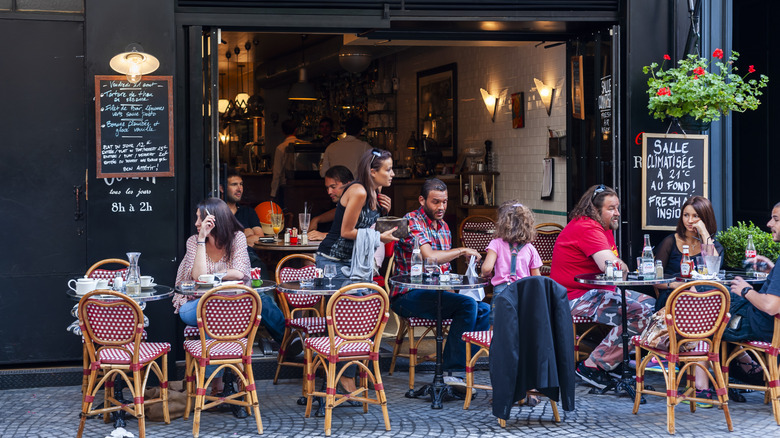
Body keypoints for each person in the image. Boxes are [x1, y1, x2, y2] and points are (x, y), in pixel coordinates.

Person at [550, 184, 655, 389]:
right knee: (639, 313)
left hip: (595, 293)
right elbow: (613, 267)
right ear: (594, 210)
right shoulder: (587, 227)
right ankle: (593, 366)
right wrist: (622, 267)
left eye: (617, 208)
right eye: (611, 208)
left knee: (652, 304)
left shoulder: (601, 228)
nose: (617, 213)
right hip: (572, 297)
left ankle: (613, 360)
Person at [391, 178, 491, 386]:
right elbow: (429, 256)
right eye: (436, 202)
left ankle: (463, 365)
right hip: (407, 295)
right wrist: (461, 250)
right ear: (422, 200)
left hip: (436, 293)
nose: (441, 207)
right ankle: (452, 371)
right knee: (467, 306)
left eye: (444, 202)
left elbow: (443, 268)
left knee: (484, 310)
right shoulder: (410, 221)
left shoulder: (444, 226)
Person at [315, 149, 398, 393]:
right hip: (332, 262)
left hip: (350, 264)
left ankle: (355, 367)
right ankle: (346, 376)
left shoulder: (374, 193)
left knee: (371, 309)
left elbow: (367, 226)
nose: (392, 174)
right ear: (373, 172)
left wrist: (383, 211)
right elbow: (346, 232)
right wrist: (378, 236)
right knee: (357, 308)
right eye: (388, 169)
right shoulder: (359, 190)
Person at [653, 196, 723, 311]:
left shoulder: (716, 247)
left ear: (705, 218)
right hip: (673, 296)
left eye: (695, 216)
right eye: (686, 215)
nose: (689, 220)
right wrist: (673, 285)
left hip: (703, 299)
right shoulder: (670, 242)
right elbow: (654, 278)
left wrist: (704, 232)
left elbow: (713, 271)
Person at [480, 201, 542, 324]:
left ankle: (495, 342)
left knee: (497, 328)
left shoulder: (496, 243)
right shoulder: (530, 248)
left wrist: (484, 275)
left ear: (502, 224)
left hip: (502, 293)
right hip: (524, 293)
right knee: (522, 327)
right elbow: (537, 278)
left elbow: (487, 268)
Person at [308, 165, 353, 241]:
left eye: (333, 187)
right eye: (327, 188)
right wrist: (316, 219)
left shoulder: (359, 202)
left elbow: (355, 235)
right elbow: (339, 211)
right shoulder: (344, 203)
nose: (329, 192)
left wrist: (325, 235)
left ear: (348, 184)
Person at [221, 169, 264, 246]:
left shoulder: (248, 212)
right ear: (222, 188)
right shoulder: (216, 212)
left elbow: (259, 239)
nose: (239, 189)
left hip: (250, 257)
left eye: (241, 184)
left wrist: (232, 240)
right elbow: (218, 243)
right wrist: (245, 233)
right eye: (234, 184)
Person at [270, 119, 300, 202]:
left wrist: (273, 194)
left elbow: (277, 173)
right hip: (304, 186)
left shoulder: (280, 148)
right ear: (296, 130)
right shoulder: (304, 145)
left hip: (286, 188)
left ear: (282, 132)